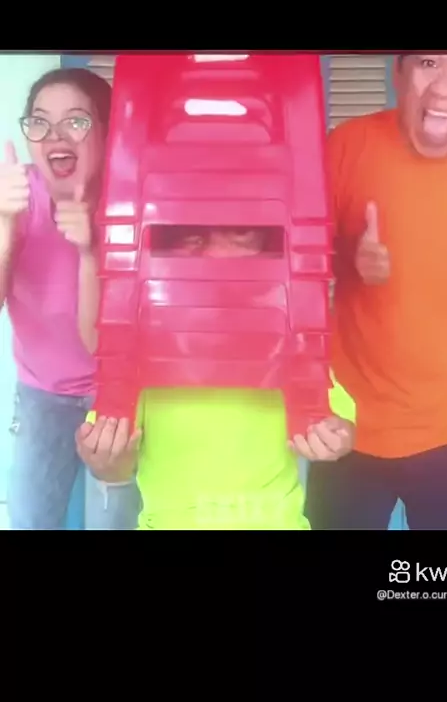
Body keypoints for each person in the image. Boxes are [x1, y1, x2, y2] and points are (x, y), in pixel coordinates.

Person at [77, 225, 355, 529]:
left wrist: (334, 438)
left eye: (239, 232)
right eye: (196, 237)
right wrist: (105, 459)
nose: (217, 253)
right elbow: (114, 466)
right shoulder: (140, 350)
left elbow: (339, 423)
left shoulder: (292, 342)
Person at [306, 52, 447, 530]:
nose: (445, 86)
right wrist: (350, 259)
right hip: (346, 424)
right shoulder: (348, 146)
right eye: (428, 63)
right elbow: (291, 263)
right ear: (398, 74)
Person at [0, 67, 141, 529]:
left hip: (119, 394)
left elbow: (103, 341)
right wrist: (4, 227)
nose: (55, 135)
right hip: (41, 394)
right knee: (30, 521)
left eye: (76, 121)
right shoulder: (13, 196)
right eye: (39, 122)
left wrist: (89, 250)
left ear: (108, 131)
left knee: (116, 523)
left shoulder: (134, 201)